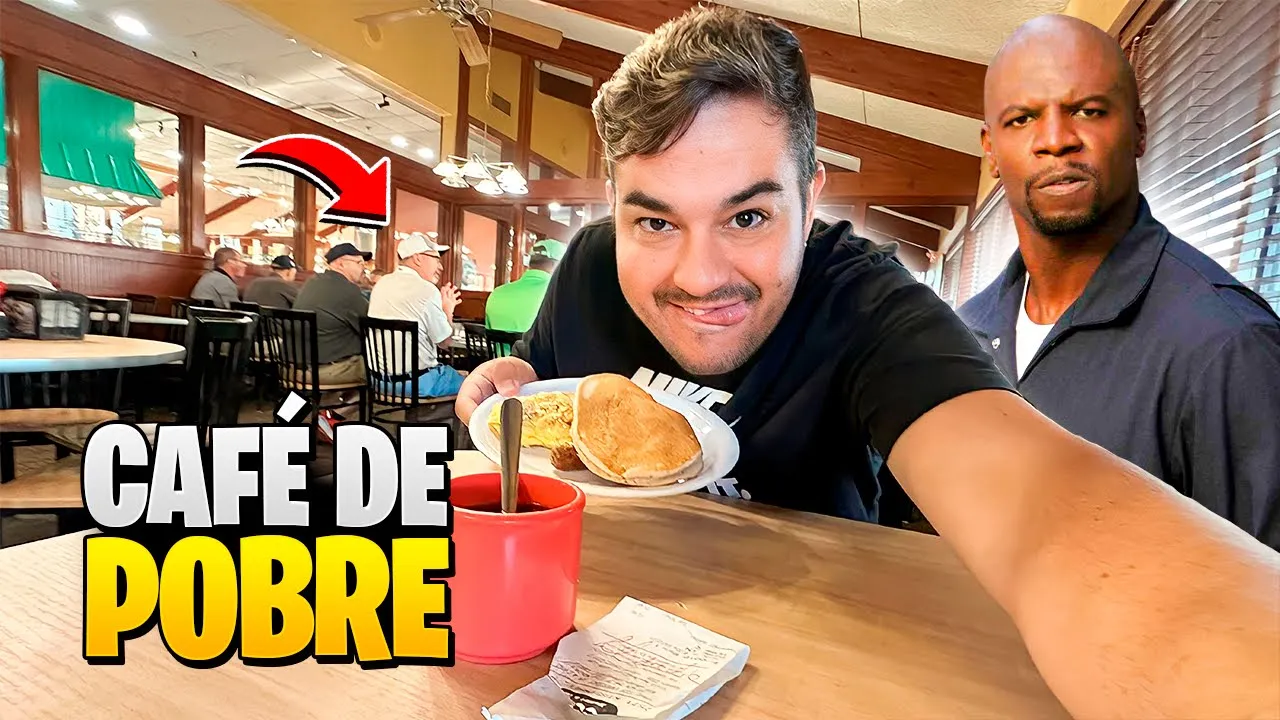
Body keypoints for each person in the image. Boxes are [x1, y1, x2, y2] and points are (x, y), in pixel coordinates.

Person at [453, 7, 1280, 719]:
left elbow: (1042, 507)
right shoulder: (589, 270)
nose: (699, 277)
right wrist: (510, 384)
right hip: (569, 652)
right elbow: (531, 416)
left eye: (748, 217)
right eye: (656, 223)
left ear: (811, 197)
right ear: (613, 209)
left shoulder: (868, 305)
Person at [958, 15, 1280, 548]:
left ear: (1139, 130)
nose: (1056, 140)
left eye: (1088, 111)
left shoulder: (1226, 346)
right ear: (990, 150)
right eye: (1023, 119)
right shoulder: (965, 331)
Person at [367, 236, 465, 398]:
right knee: (476, 385)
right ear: (418, 258)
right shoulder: (427, 290)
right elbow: (445, 342)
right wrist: (447, 309)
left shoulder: (381, 284)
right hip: (416, 383)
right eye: (436, 259)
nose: (440, 267)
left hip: (379, 382)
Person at [293, 242, 370, 387]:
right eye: (359, 263)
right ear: (341, 264)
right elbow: (371, 328)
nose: (364, 267)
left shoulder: (311, 283)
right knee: (382, 368)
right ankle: (340, 404)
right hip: (324, 371)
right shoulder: (347, 291)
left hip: (293, 367)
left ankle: (332, 401)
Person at [485, 239, 566, 334]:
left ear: (530, 263)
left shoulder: (497, 293)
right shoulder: (559, 294)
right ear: (558, 265)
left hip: (497, 345)